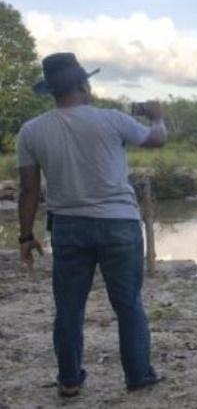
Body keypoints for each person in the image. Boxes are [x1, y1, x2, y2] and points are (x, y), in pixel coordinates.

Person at [16, 53, 168, 397]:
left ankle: (69, 380)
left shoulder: (31, 130)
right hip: (119, 224)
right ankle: (138, 376)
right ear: (84, 85)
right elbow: (157, 139)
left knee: (69, 308)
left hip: (68, 226)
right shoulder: (111, 119)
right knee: (128, 304)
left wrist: (25, 236)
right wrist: (157, 117)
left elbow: (28, 190)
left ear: (52, 91)